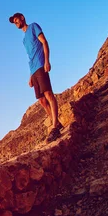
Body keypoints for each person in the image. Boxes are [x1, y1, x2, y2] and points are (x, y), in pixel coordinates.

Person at [9, 12, 63, 142]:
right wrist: (30, 76)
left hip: (40, 65)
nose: (15, 23)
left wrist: (47, 61)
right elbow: (30, 56)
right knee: (41, 101)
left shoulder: (33, 27)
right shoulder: (23, 40)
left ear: (22, 18)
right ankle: (56, 122)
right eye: (14, 22)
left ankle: (54, 127)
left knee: (48, 94)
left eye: (16, 20)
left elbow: (44, 42)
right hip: (33, 70)